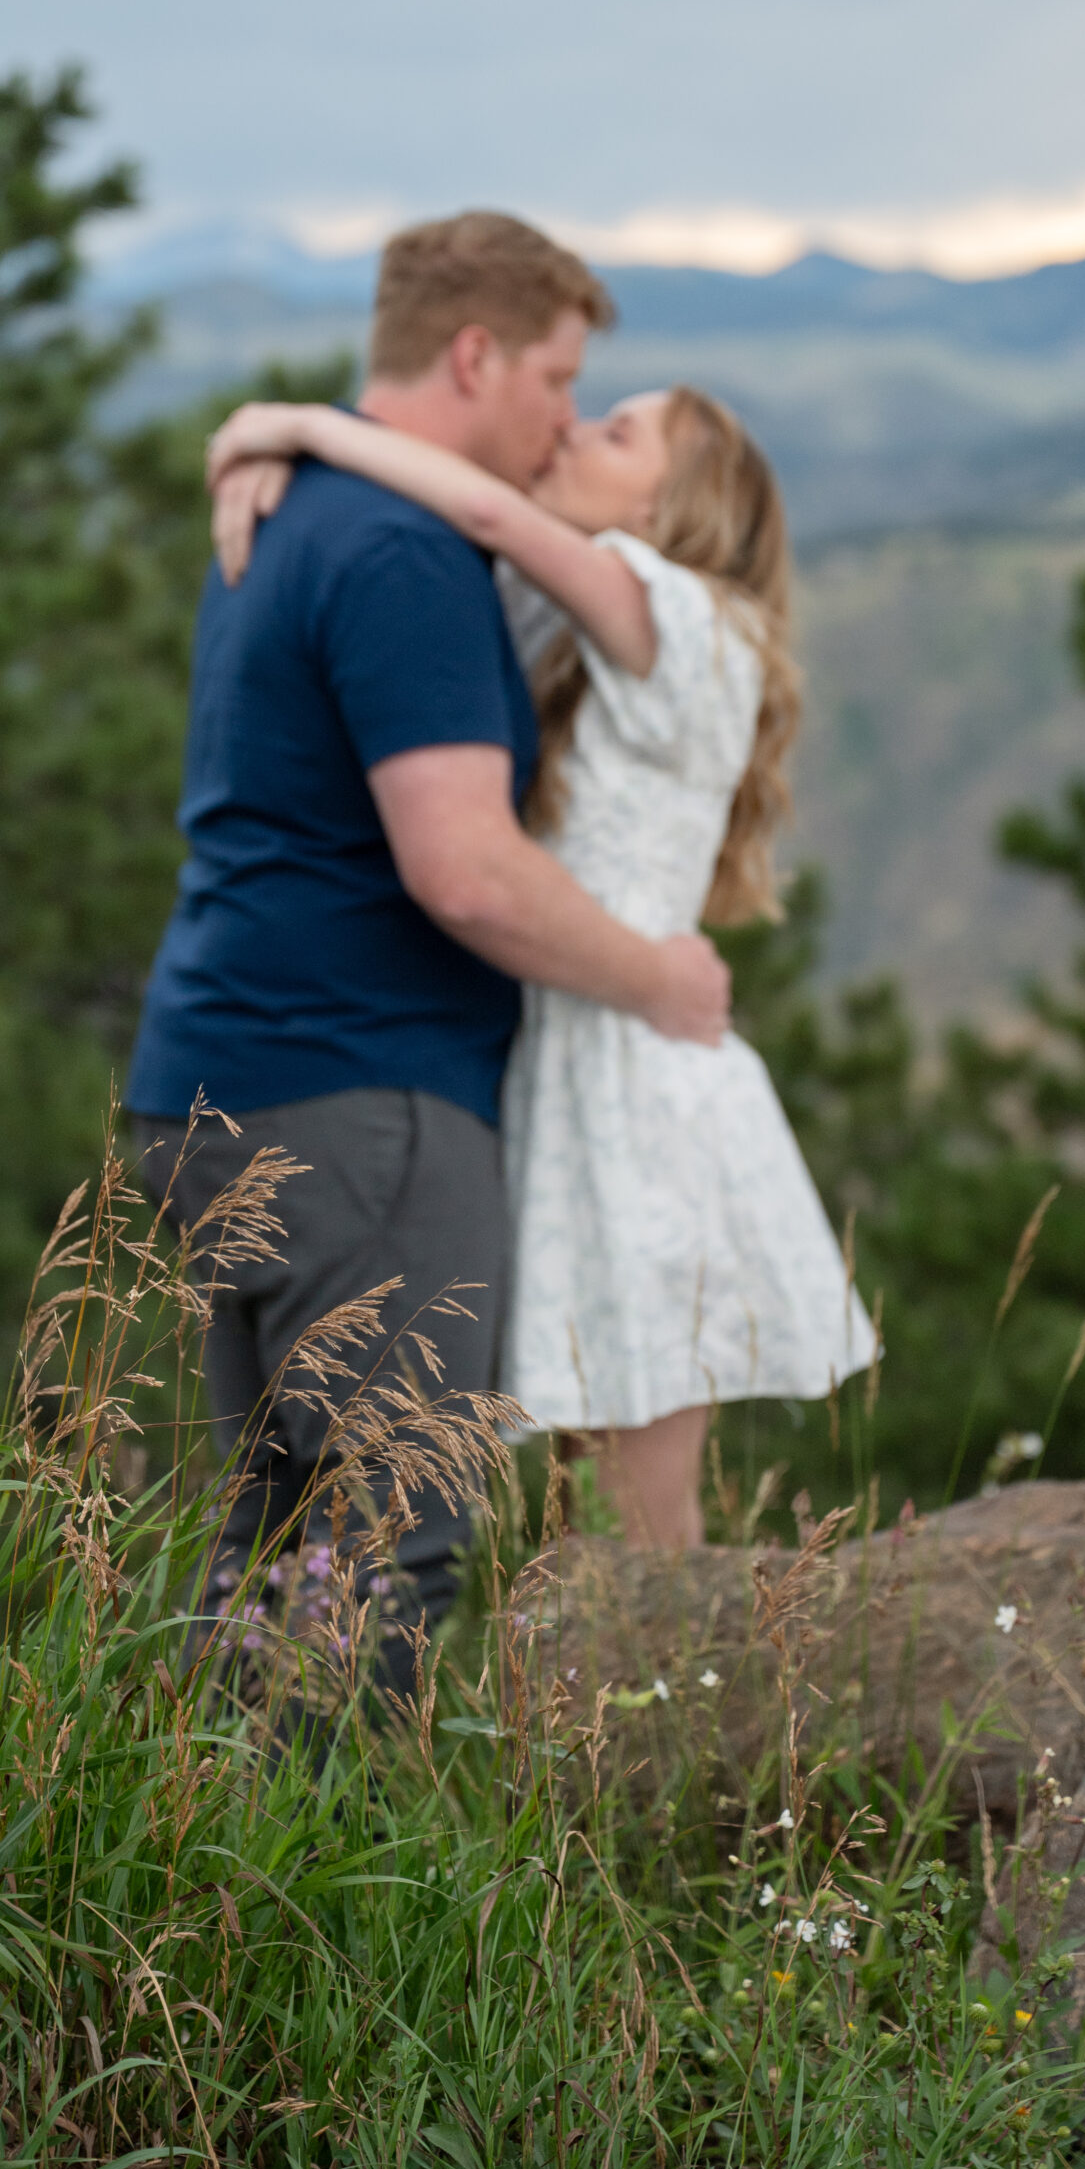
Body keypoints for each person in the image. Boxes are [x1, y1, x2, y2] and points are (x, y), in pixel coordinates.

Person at [126, 214, 731, 1673]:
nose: (561, 420)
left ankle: (198, 1881)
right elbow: (463, 871)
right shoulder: (402, 550)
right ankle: (306, 1899)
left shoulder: (291, 506)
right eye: (554, 379)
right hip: (362, 1101)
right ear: (475, 354)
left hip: (213, 1069)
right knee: (386, 1550)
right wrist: (657, 975)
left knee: (269, 1550)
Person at [205, 380, 877, 1549]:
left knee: (636, 1509)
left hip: (640, 1087)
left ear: (678, 510)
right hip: (572, 1072)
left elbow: (494, 517)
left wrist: (309, 433)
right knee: (582, 1503)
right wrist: (273, 469)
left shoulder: (686, 620)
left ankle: (674, 1717)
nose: (572, 429)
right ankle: (605, 1722)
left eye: (616, 432)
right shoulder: (602, 626)